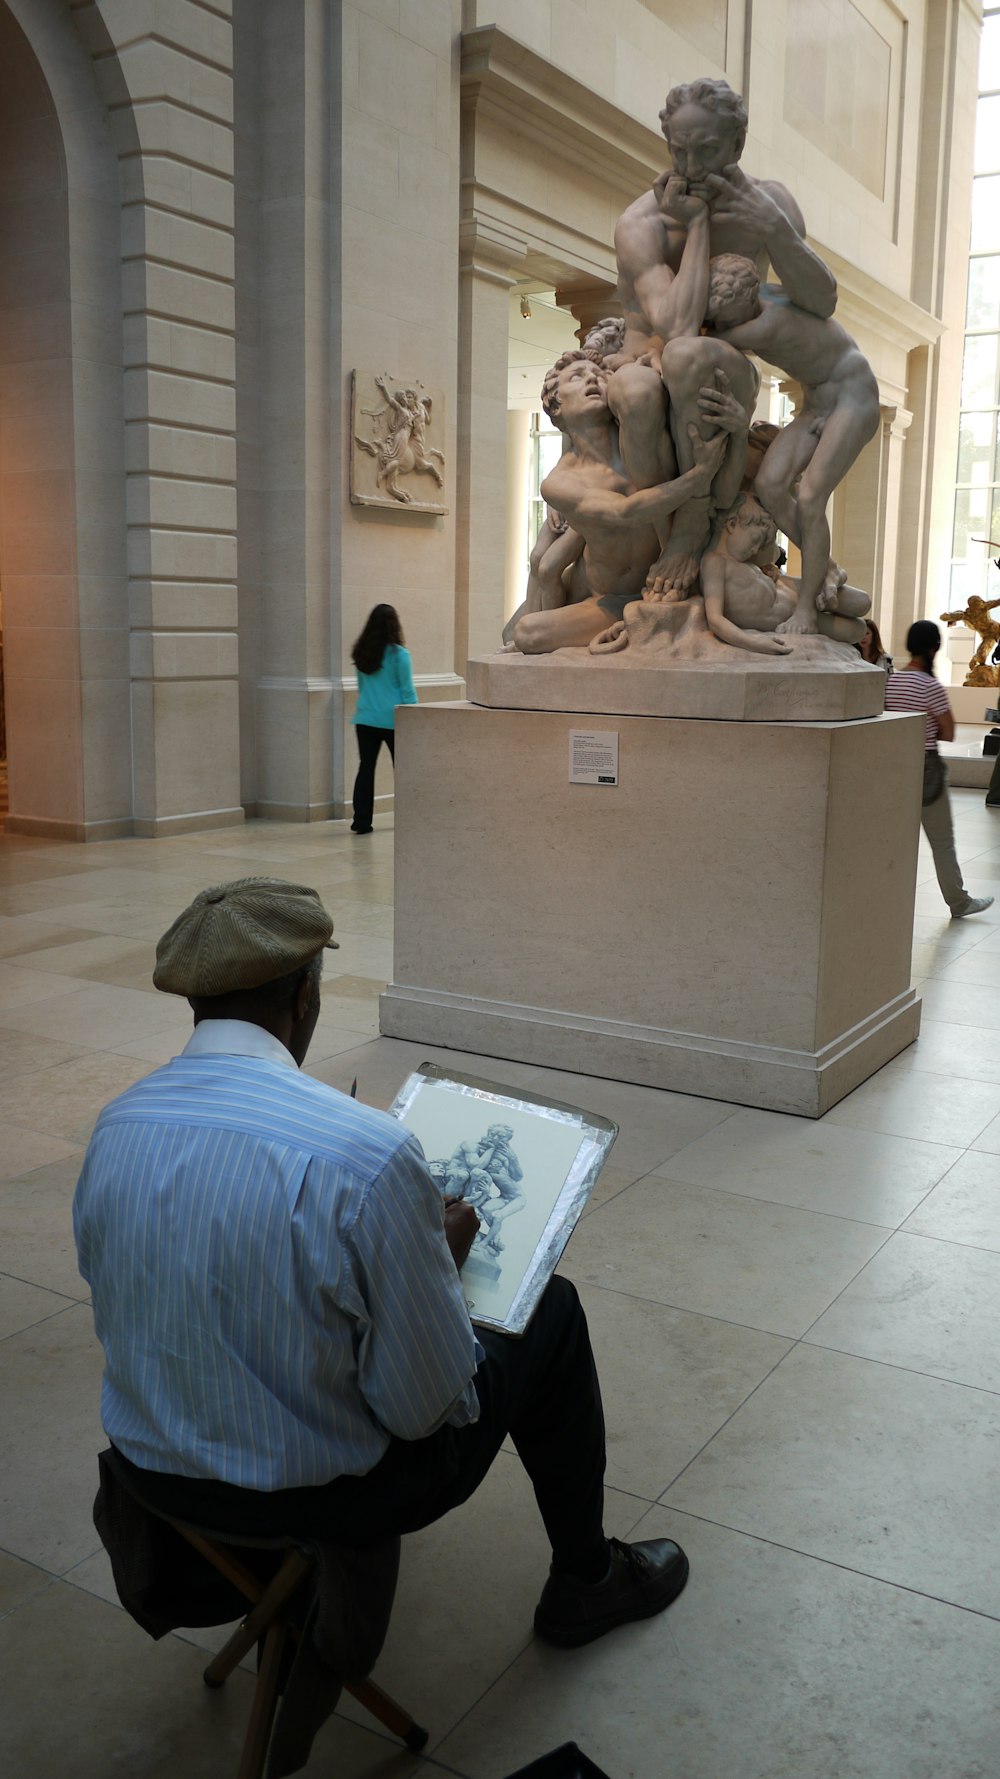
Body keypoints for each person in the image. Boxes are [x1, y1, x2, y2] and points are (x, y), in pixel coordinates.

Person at [72, 878, 689, 1651]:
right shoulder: (364, 1152)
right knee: (550, 1310)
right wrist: (434, 1263)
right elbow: (423, 1409)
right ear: (305, 996)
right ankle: (588, 1578)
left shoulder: (117, 1121)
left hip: (151, 1478)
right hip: (315, 1499)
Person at [512, 350, 727, 653]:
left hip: (663, 583)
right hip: (609, 599)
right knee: (526, 632)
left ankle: (650, 618)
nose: (592, 379)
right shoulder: (560, 482)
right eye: (577, 376)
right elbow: (625, 512)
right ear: (555, 405)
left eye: (598, 376)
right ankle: (637, 621)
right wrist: (699, 475)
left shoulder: (639, 438)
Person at [884, 622, 994, 919]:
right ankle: (958, 901)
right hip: (926, 771)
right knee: (942, 842)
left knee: (890, 840)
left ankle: (883, 898)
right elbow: (948, 732)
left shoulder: (891, 682)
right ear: (934, 648)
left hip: (892, 769)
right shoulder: (930, 686)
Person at [699, 494, 869, 656]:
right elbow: (715, 619)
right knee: (857, 631)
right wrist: (754, 643)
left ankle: (833, 573)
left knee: (862, 602)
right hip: (789, 619)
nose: (755, 549)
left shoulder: (745, 563)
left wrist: (772, 574)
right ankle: (831, 577)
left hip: (797, 597)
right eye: (755, 539)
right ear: (732, 524)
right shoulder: (714, 562)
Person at [349, 603, 417, 834]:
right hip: (393, 721)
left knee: (365, 769)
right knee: (404, 770)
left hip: (365, 719)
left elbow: (361, 688)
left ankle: (361, 822)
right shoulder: (400, 655)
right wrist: (414, 718)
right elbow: (407, 691)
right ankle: (409, 818)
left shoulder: (361, 652)